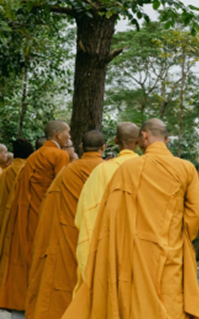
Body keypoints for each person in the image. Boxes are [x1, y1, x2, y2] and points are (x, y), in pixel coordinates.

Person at [62, 119, 199, 319]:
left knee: (137, 305)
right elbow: (196, 214)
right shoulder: (186, 168)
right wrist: (177, 238)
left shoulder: (127, 169)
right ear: (167, 140)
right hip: (171, 254)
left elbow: (112, 217)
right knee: (171, 303)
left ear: (143, 136)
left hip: (134, 253)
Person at [26, 130, 106, 318]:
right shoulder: (106, 170)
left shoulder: (67, 171)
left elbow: (48, 203)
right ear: (103, 147)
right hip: (92, 235)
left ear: (81, 147)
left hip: (65, 231)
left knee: (62, 277)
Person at [0, 120, 70, 309]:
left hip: (27, 214)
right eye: (67, 133)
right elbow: (60, 188)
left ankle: (20, 299)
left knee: (26, 256)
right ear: (58, 135)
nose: (69, 137)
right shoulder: (59, 155)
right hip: (46, 214)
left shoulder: (33, 157)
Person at [73, 122, 140, 293]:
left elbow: (84, 215)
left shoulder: (101, 170)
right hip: (140, 248)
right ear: (138, 141)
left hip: (108, 246)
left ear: (116, 141)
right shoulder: (148, 168)